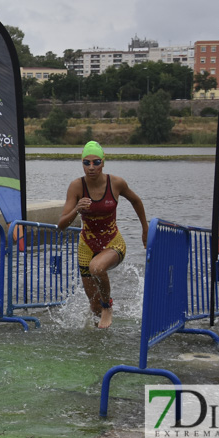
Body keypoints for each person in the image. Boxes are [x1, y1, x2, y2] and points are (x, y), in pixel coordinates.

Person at [58, 141, 147, 329]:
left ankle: (108, 306)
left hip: (112, 242)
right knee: (93, 305)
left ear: (103, 162)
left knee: (97, 267)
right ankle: (99, 339)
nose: (91, 167)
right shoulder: (76, 186)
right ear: (82, 163)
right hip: (86, 247)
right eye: (87, 163)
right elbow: (61, 225)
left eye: (96, 162)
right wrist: (76, 209)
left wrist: (145, 229)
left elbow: (136, 201)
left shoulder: (116, 183)